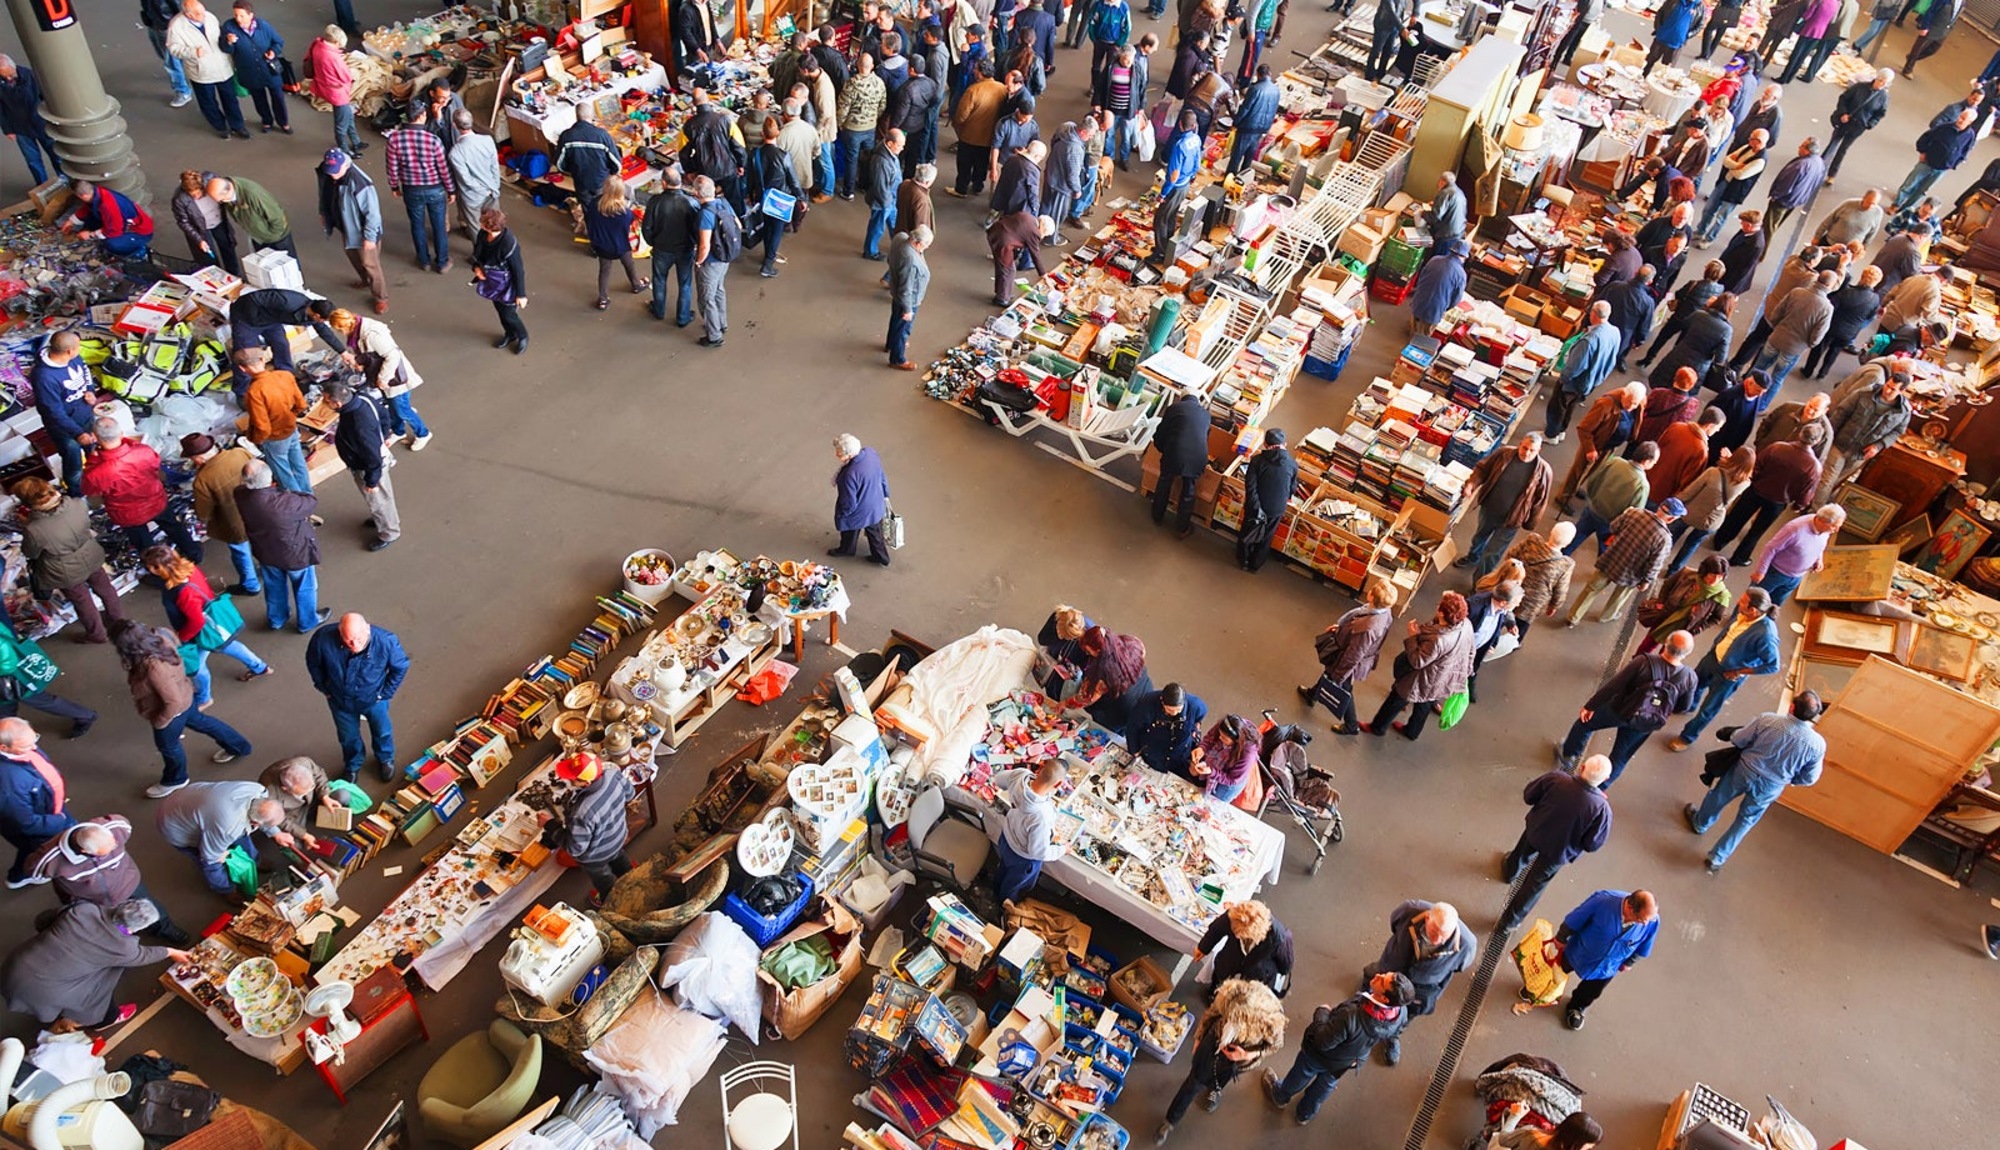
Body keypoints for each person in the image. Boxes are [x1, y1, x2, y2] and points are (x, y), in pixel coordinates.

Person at [110, 618, 253, 798]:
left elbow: (173, 701)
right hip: (187, 694)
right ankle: (239, 746)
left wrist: (161, 721)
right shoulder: (160, 637)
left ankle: (176, 779)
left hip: (172, 711)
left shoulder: (153, 667)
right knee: (202, 721)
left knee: (168, 746)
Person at [1685, 692, 1826, 871]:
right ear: (1814, 716)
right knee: (1746, 820)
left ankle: (1700, 823)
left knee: (1719, 796)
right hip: (1772, 784)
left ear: (1792, 707)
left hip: (1744, 770)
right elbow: (1810, 778)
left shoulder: (1768, 720)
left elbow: (1739, 739)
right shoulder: (1817, 745)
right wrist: (1790, 779)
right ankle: (1717, 858)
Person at [0, 900, 192, 1031]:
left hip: (16, 967)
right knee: (107, 977)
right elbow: (143, 955)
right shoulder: (124, 947)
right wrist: (172, 952)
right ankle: (100, 1019)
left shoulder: (84, 910)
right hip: (44, 992)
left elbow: (49, 918)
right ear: (138, 928)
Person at [1259, 972, 1413, 1125]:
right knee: (1325, 1085)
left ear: (1385, 998)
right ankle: (1305, 1114)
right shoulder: (1400, 1013)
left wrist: (1322, 1013)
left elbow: (1322, 1041)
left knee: (1302, 1073)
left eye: (1382, 981)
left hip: (1319, 1056)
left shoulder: (1351, 1016)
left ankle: (1280, 1095)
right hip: (1347, 1060)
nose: (1378, 975)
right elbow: (1396, 1032)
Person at [1155, 977, 1287, 1145]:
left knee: (1221, 1079)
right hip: (1213, 1044)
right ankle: (1170, 1121)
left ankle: (1215, 1090)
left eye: (1237, 1019)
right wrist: (1199, 1038)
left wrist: (1247, 1056)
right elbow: (1211, 1014)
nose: (1231, 1021)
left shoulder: (1271, 1020)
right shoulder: (1230, 995)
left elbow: (1275, 1045)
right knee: (1193, 1083)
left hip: (1238, 1059)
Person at [1557, 633, 1700, 786]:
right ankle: (1599, 787)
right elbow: (1684, 707)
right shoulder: (1690, 677)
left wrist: (1590, 706)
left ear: (1666, 643)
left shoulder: (1643, 662)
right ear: (1687, 652)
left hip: (1619, 710)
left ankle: (1569, 756)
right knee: (1621, 757)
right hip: (1647, 722)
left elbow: (1614, 686)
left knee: (1585, 723)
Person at [22, 815, 192, 943]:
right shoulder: (50, 859)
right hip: (90, 899)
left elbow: (125, 825)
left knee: (149, 909)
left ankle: (164, 929)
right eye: (106, 851)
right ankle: (120, 943)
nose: (115, 847)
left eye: (114, 844)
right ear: (84, 851)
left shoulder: (115, 828)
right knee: (105, 924)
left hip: (127, 884)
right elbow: (33, 871)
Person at [1496, 756, 1613, 935]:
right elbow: (1592, 844)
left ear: (1582, 767)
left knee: (1520, 853)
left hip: (1536, 832)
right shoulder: (1601, 809)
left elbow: (1529, 796)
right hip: (1559, 852)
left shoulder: (1556, 779)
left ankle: (1510, 872)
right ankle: (1509, 923)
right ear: (1605, 779)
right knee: (1534, 886)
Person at [1360, 900, 1475, 1064]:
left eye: (1444, 936)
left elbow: (1459, 967)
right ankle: (1363, 1007)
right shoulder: (1410, 911)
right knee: (1374, 980)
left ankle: (1393, 1035)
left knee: (1408, 1013)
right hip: (1391, 969)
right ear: (1427, 918)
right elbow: (1394, 923)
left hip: (1420, 988)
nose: (1437, 940)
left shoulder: (1467, 946)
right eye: (1434, 931)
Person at [14, 479, 124, 646]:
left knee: (82, 601)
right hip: (90, 554)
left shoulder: (33, 529)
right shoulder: (78, 503)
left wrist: (27, 523)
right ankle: (118, 622)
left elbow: (31, 552)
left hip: (63, 569)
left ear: (27, 502)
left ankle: (97, 634)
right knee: (105, 588)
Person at [1667, 587, 1780, 749]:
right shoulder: (1743, 614)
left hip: (1729, 675)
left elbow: (1772, 665)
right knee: (1694, 685)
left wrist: (1739, 671)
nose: (1738, 603)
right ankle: (1688, 706)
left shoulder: (1766, 635)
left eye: (1742, 602)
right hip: (1713, 659)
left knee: (1708, 709)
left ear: (1753, 610)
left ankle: (1687, 737)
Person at [81, 418, 203, 562]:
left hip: (128, 514)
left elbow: (88, 489)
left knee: (145, 547)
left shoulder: (97, 472)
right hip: (156, 501)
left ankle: (160, 573)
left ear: (95, 437)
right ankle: (194, 552)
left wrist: (93, 460)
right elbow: (156, 465)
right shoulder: (143, 451)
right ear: (121, 434)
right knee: (174, 526)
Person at [1362, 591, 1475, 740]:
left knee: (1397, 698)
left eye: (1439, 606)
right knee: (1424, 704)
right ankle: (1412, 732)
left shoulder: (1438, 640)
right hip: (1443, 677)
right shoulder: (1466, 624)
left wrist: (1413, 636)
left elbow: (1417, 661)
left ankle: (1377, 727)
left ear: (1442, 613)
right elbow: (1471, 649)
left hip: (1422, 678)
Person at [233, 461, 323, 631]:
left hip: (266, 552)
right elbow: (310, 500)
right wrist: (284, 489)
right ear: (270, 478)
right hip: (295, 554)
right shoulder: (286, 502)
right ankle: (307, 621)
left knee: (273, 586)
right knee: (305, 587)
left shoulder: (240, 494)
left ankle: (277, 619)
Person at [1299, 579, 1396, 734]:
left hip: (1347, 661)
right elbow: (1356, 623)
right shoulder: (1384, 611)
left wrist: (1340, 675)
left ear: (1371, 597)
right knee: (1329, 674)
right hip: (1351, 655)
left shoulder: (1368, 628)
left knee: (1344, 687)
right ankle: (1312, 694)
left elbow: (1354, 655)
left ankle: (1351, 725)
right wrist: (1341, 628)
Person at [536, 752, 634, 906]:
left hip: (596, 856)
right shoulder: (613, 774)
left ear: (586, 783)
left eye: (573, 778)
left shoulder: (582, 813)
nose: (568, 779)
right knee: (620, 860)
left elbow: (575, 848)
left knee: (603, 878)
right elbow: (630, 793)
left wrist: (549, 825)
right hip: (617, 837)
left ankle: (610, 900)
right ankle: (632, 881)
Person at [155, 779, 284, 895]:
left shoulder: (258, 791)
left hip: (189, 799)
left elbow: (253, 823)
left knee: (240, 836)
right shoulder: (229, 827)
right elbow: (210, 857)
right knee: (211, 863)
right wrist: (218, 855)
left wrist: (276, 833)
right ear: (255, 823)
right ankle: (226, 889)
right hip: (176, 824)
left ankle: (255, 861)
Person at [1566, 500, 1684, 625]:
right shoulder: (1664, 539)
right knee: (1619, 597)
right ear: (1671, 519)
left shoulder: (1635, 513)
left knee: (1591, 588)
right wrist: (1647, 581)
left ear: (1660, 507)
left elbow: (1613, 527)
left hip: (1611, 560)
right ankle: (1607, 616)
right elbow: (1654, 564)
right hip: (1632, 574)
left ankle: (1573, 617)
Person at [1713, 431, 1820, 566]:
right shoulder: (1813, 467)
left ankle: (1720, 540)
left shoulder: (1777, 447)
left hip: (1756, 490)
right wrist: (1798, 505)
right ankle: (1740, 557)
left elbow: (1756, 466)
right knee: (1757, 531)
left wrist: (1755, 480)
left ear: (1800, 435)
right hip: (1778, 501)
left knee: (1737, 517)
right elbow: (1806, 491)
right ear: (1816, 441)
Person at [332, 309, 431, 451]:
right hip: (383, 377)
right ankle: (398, 431)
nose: (340, 333)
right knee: (393, 406)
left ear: (345, 326)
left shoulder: (371, 335)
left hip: (393, 378)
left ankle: (423, 433)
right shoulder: (359, 331)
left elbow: (392, 356)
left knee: (402, 409)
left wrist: (382, 378)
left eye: (339, 329)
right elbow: (371, 355)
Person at [327, 378, 400, 553]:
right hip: (373, 458)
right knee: (382, 497)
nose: (324, 403)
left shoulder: (359, 424)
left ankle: (389, 532)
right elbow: (383, 415)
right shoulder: (362, 399)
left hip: (368, 466)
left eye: (326, 400)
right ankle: (382, 520)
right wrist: (383, 436)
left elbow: (372, 457)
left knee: (378, 499)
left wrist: (371, 481)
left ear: (337, 402)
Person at [0, 719, 74, 888]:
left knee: (30, 849)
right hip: (44, 822)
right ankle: (21, 875)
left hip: (49, 811)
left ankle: (18, 876)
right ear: (4, 748)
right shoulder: (9, 783)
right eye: (26, 746)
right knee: (37, 848)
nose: (34, 747)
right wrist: (59, 820)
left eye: (35, 739)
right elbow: (26, 823)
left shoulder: (21, 753)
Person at [1554, 382, 1648, 512]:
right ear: (1623, 394)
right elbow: (1584, 429)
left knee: (1593, 470)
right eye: (1629, 402)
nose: (1631, 407)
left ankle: (1574, 489)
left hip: (1609, 445)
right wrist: (1590, 448)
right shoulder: (1604, 405)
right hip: (1596, 444)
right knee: (1578, 471)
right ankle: (1563, 497)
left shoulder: (1639, 400)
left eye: (1635, 404)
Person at [384, 104, 455, 275]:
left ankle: (424, 261)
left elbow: (391, 167)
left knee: (417, 225)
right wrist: (451, 190)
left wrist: (394, 186)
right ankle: (442, 262)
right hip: (435, 190)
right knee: (439, 226)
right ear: (423, 115)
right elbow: (443, 169)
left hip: (411, 190)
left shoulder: (394, 139)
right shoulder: (433, 141)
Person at [225, 287, 339, 392]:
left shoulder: (310, 314)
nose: (323, 323)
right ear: (317, 316)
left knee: (281, 345)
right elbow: (253, 299)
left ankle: (286, 377)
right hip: (246, 319)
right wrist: (254, 320)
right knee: (247, 357)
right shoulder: (287, 301)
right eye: (324, 320)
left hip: (271, 320)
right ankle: (242, 392)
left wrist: (342, 351)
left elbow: (324, 331)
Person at [1819, 371, 1911, 500]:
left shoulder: (1904, 411)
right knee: (1827, 480)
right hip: (1840, 444)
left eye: (1893, 389)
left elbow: (1897, 432)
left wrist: (1878, 446)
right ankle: (1816, 513)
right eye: (1887, 385)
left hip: (1860, 454)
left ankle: (1810, 499)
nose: (1887, 390)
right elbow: (1841, 413)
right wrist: (1828, 438)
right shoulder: (1863, 394)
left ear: (1902, 391)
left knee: (1835, 481)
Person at [316, 149, 387, 314]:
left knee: (371, 265)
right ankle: (364, 280)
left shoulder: (360, 184)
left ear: (345, 165)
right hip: (347, 228)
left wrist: (369, 237)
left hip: (362, 232)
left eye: (336, 172)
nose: (333, 175)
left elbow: (373, 214)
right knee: (354, 257)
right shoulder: (327, 172)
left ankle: (380, 297)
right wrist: (324, 213)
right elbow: (324, 194)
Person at [989, 756, 1066, 908]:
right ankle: (1003, 906)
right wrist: (1062, 849)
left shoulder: (1021, 775)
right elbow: (1038, 852)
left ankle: (994, 887)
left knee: (1003, 867)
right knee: (1013, 885)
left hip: (1007, 838)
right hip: (1023, 858)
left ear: (1039, 767)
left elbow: (998, 780)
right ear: (1059, 784)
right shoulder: (1040, 816)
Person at [28, 333, 99, 498]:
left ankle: (98, 480)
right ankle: (77, 494)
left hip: (85, 415)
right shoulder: (43, 377)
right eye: (78, 347)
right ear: (69, 351)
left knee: (94, 451)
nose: (79, 350)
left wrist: (90, 390)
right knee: (73, 462)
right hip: (63, 429)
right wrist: (77, 433)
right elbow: (53, 412)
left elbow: (86, 373)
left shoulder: (74, 358)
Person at [168, 0, 248, 138]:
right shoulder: (176, 27)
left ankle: (238, 126)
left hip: (223, 68)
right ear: (188, 15)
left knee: (230, 99)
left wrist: (227, 39)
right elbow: (173, 48)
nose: (203, 16)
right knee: (208, 102)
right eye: (198, 14)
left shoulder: (209, 17)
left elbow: (219, 36)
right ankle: (220, 127)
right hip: (201, 72)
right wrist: (192, 52)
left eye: (203, 11)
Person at [236, 348, 311, 493]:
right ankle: (308, 497)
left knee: (284, 473)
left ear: (242, 369)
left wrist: (255, 439)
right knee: (299, 465)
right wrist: (289, 417)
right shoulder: (285, 375)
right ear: (263, 360)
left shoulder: (254, 392)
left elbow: (263, 427)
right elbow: (301, 405)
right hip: (291, 429)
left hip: (275, 438)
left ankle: (297, 505)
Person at [1544, 302, 1620, 442]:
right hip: (1590, 382)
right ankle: (1561, 431)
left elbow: (1575, 367)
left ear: (1593, 314)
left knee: (1558, 406)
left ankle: (1551, 435)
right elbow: (1612, 359)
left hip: (1575, 382)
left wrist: (1563, 378)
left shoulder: (1589, 341)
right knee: (1570, 406)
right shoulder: (1614, 332)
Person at [1667, 454, 1754, 574]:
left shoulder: (1713, 472)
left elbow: (1690, 491)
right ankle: (1673, 570)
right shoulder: (1745, 483)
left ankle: (1660, 558)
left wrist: (1675, 501)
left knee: (1672, 535)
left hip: (1690, 512)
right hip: (1712, 520)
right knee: (1692, 544)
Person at [1566, 441, 1654, 558]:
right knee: (1605, 555)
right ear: (1646, 461)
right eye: (1654, 462)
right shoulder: (1642, 484)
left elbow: (1592, 481)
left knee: (1571, 542)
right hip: (1610, 524)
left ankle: (1555, 564)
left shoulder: (1615, 461)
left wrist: (1593, 499)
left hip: (1592, 510)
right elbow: (1634, 513)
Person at [747, 117, 808, 280]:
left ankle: (769, 254)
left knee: (766, 227)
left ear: (762, 133)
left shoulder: (755, 154)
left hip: (762, 197)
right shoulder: (783, 155)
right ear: (778, 133)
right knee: (776, 231)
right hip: (780, 200)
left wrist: (750, 195)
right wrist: (801, 199)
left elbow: (750, 178)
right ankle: (767, 264)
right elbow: (793, 180)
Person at [1194, 900, 1293, 1000]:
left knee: (1246, 999)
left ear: (1258, 933)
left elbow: (1285, 964)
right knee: (1220, 980)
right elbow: (1216, 930)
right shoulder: (1235, 915)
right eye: (1235, 932)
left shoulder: (1279, 936)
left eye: (1242, 935)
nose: (1237, 936)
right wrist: (1203, 947)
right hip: (1229, 961)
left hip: (1256, 976)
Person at [1749, 504, 1843, 605]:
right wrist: (1761, 571)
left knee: (1774, 606)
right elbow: (1771, 548)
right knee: (1752, 603)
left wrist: (1818, 559)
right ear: (1822, 521)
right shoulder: (1794, 529)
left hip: (1796, 577)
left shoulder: (1825, 531)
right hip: (1774, 573)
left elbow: (1819, 545)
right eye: (1834, 526)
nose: (1836, 530)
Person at [1501, 523, 1576, 647]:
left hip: (1512, 588)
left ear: (1551, 532)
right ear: (1568, 543)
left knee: (1501, 614)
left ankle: (1490, 640)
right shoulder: (1565, 565)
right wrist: (1554, 605)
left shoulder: (1532, 541)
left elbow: (1510, 556)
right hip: (1534, 602)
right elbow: (1561, 590)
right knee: (1522, 624)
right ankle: (1513, 644)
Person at [220, 2, 288, 133]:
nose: (238, 19)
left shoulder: (263, 26)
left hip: (269, 70)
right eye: (236, 15)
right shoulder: (229, 27)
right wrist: (228, 41)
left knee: (278, 96)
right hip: (249, 71)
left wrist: (273, 51)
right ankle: (266, 120)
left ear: (251, 15)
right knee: (259, 98)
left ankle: (283, 122)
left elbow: (278, 42)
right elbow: (226, 49)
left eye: (242, 15)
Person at [1805, 265, 1883, 380]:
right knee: (1834, 351)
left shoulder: (1847, 291)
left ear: (1862, 276)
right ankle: (1823, 372)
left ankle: (1808, 370)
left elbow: (1832, 306)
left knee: (1819, 348)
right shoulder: (1875, 299)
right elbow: (1870, 316)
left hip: (1832, 326)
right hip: (1849, 332)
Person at [1152, 386, 1211, 536]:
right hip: (1198, 457)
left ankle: (1157, 516)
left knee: (1165, 481)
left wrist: (1163, 450)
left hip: (1175, 453)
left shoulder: (1174, 408)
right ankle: (1182, 527)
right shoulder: (1206, 414)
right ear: (1197, 399)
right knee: (1188, 490)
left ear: (1181, 397)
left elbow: (1161, 432)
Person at [690, 175, 740, 350]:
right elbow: (738, 225)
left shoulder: (705, 214)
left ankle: (714, 336)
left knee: (706, 298)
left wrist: (698, 261)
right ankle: (721, 323)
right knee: (719, 290)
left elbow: (704, 244)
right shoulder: (723, 203)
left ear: (696, 193)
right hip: (725, 257)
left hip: (710, 262)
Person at [1696, 129, 1770, 245]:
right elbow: (1726, 160)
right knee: (1708, 208)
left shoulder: (1760, 160)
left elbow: (1741, 175)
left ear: (1759, 142)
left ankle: (1709, 239)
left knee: (1721, 217)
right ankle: (1700, 231)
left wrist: (1733, 166)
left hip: (1735, 191)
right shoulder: (1747, 147)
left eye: (1752, 139)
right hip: (1725, 182)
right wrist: (1738, 165)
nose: (1749, 140)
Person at [1895, 108, 1977, 212]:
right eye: (1960, 117)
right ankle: (1896, 204)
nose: (1960, 120)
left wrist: (1954, 164)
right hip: (1927, 162)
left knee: (1923, 191)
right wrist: (1922, 151)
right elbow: (1926, 137)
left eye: (1964, 119)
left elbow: (1965, 152)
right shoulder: (1945, 127)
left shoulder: (1970, 136)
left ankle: (1906, 209)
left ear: (1970, 122)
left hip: (1942, 169)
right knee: (1910, 183)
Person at [583, 178, 647, 310]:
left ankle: (603, 299)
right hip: (620, 246)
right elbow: (629, 226)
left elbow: (589, 221)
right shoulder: (624, 213)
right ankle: (636, 284)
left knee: (604, 270)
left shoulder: (595, 205)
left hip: (601, 246)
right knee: (629, 264)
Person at [1073, 626, 1152, 729]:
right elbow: (1142, 651)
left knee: (1108, 730)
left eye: (1088, 651)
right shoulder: (1129, 642)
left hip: (1120, 711)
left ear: (1098, 651)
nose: (1088, 654)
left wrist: (1064, 704)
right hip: (1145, 691)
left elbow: (1088, 698)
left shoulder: (1104, 673)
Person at [473, 207, 529, 354]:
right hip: (493, 281)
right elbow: (478, 256)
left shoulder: (509, 244)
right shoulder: (483, 235)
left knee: (509, 314)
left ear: (488, 225)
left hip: (507, 284)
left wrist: (521, 295)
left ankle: (522, 335)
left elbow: (518, 270)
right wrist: (477, 268)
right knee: (500, 310)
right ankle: (510, 334)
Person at [0, 55, 61, 187]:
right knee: (33, 161)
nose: (8, 79)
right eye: (4, 77)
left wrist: (53, 119)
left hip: (41, 124)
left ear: (14, 67)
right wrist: (7, 130)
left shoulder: (30, 76)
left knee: (55, 154)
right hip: (20, 128)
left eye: (10, 75)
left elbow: (46, 97)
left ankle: (64, 180)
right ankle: (42, 186)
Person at [1152, 111, 1202, 267]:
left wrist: (1163, 193)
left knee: (1160, 219)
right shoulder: (1196, 139)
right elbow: (1197, 162)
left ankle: (1160, 253)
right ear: (1194, 126)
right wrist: (1192, 175)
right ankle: (1168, 246)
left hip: (1176, 187)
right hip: (1185, 184)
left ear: (1180, 125)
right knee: (1171, 216)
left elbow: (1173, 175)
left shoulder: (1179, 146)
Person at [1126, 682, 1208, 777]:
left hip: (1180, 755)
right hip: (1153, 752)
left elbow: (1198, 720)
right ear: (1162, 701)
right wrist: (1134, 750)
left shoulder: (1195, 706)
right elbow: (1133, 727)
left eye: (1178, 710)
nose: (1174, 714)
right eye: (1169, 710)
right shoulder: (1146, 704)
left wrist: (1194, 732)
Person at [57, 182, 155, 261]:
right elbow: (87, 208)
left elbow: (115, 231)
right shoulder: (98, 192)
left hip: (138, 231)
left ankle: (139, 252)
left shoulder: (109, 206)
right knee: (91, 219)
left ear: (83, 195)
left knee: (112, 244)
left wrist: (90, 234)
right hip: (119, 223)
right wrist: (71, 221)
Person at [836, 54, 889, 199]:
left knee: (851, 159)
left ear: (858, 66)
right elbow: (882, 105)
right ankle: (864, 184)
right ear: (871, 66)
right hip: (870, 127)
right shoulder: (879, 83)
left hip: (852, 128)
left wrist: (840, 123)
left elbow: (843, 109)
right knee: (867, 157)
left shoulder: (851, 84)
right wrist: (873, 118)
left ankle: (848, 191)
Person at [169, 168, 239, 276]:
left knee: (227, 248)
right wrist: (199, 239)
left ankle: (234, 275)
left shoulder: (212, 181)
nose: (197, 196)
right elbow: (183, 222)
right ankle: (216, 278)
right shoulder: (179, 199)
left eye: (199, 193)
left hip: (218, 221)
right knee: (207, 257)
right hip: (200, 228)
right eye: (193, 195)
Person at [1823, 71, 1892, 179]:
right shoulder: (1860, 87)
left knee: (1843, 149)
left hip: (1858, 126)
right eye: (1880, 81)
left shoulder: (1883, 97)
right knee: (1834, 142)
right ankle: (1821, 165)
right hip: (1845, 120)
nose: (1881, 85)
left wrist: (1870, 124)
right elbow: (1843, 99)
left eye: (1885, 83)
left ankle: (1832, 174)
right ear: (1876, 78)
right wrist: (1843, 113)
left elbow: (1880, 114)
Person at [258, 756, 337, 849]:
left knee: (343, 796)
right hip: (291, 812)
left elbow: (319, 775)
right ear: (285, 789)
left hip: (315, 797)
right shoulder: (269, 793)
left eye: (311, 787)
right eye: (302, 792)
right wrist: (304, 835)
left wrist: (325, 796)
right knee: (295, 845)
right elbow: (280, 819)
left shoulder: (305, 763)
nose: (307, 792)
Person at [207, 174, 293, 257]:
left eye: (221, 200)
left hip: (277, 238)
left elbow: (277, 217)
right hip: (258, 238)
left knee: (286, 266)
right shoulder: (229, 191)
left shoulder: (254, 195)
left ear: (227, 192)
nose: (221, 202)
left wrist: (274, 236)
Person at [306, 26, 361, 154]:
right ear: (336, 42)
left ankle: (356, 141)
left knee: (348, 115)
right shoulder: (332, 57)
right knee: (341, 122)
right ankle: (344, 148)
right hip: (338, 92)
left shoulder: (317, 45)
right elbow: (345, 76)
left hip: (327, 87)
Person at [554, 104, 620, 207]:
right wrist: (612, 174)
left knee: (587, 209)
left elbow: (559, 163)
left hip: (581, 181)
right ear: (592, 116)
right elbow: (616, 162)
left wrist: (572, 171)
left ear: (576, 116)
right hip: (601, 181)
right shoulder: (602, 135)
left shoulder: (566, 136)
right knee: (603, 208)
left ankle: (590, 222)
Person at [887, 226, 933, 371]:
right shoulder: (910, 259)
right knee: (903, 328)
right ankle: (897, 359)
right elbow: (906, 288)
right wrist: (908, 310)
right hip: (908, 300)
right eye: (926, 245)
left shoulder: (900, 237)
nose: (927, 247)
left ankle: (892, 344)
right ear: (918, 243)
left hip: (896, 292)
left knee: (895, 320)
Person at [1760, 139, 1826, 238]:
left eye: (1802, 146)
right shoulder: (1819, 163)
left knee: (1767, 229)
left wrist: (1775, 195)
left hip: (1783, 200)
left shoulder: (1800, 165)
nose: (1799, 147)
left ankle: (1760, 252)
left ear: (1808, 150)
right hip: (1796, 200)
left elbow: (1786, 184)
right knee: (1775, 225)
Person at [1408, 238, 1469, 335]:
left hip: (1419, 300)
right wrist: (1445, 307)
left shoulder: (1434, 259)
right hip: (1435, 309)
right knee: (1424, 335)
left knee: (1414, 324)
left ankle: (1412, 334)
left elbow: (1421, 277)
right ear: (1464, 257)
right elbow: (1456, 299)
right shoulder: (1461, 274)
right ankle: (1416, 345)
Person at [1191, 713, 1258, 801]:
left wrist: (1212, 772)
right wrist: (1202, 748)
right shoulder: (1225, 725)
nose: (1219, 738)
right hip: (1216, 765)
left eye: (1224, 738)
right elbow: (1209, 738)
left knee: (1215, 804)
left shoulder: (1247, 753)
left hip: (1230, 782)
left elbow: (1232, 779)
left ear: (1237, 740)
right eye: (1220, 734)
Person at [143, 0, 196, 106]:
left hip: (165, 24)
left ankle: (183, 91)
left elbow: (177, 5)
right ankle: (182, 78)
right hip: (155, 22)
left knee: (171, 62)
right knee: (166, 56)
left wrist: (177, 24)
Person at [988, 208, 1045, 306]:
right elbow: (1035, 254)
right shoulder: (1035, 232)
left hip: (996, 231)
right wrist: (1043, 274)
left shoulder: (1029, 217)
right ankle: (1002, 299)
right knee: (1008, 270)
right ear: (1044, 228)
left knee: (1002, 267)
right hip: (1003, 242)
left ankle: (1003, 292)